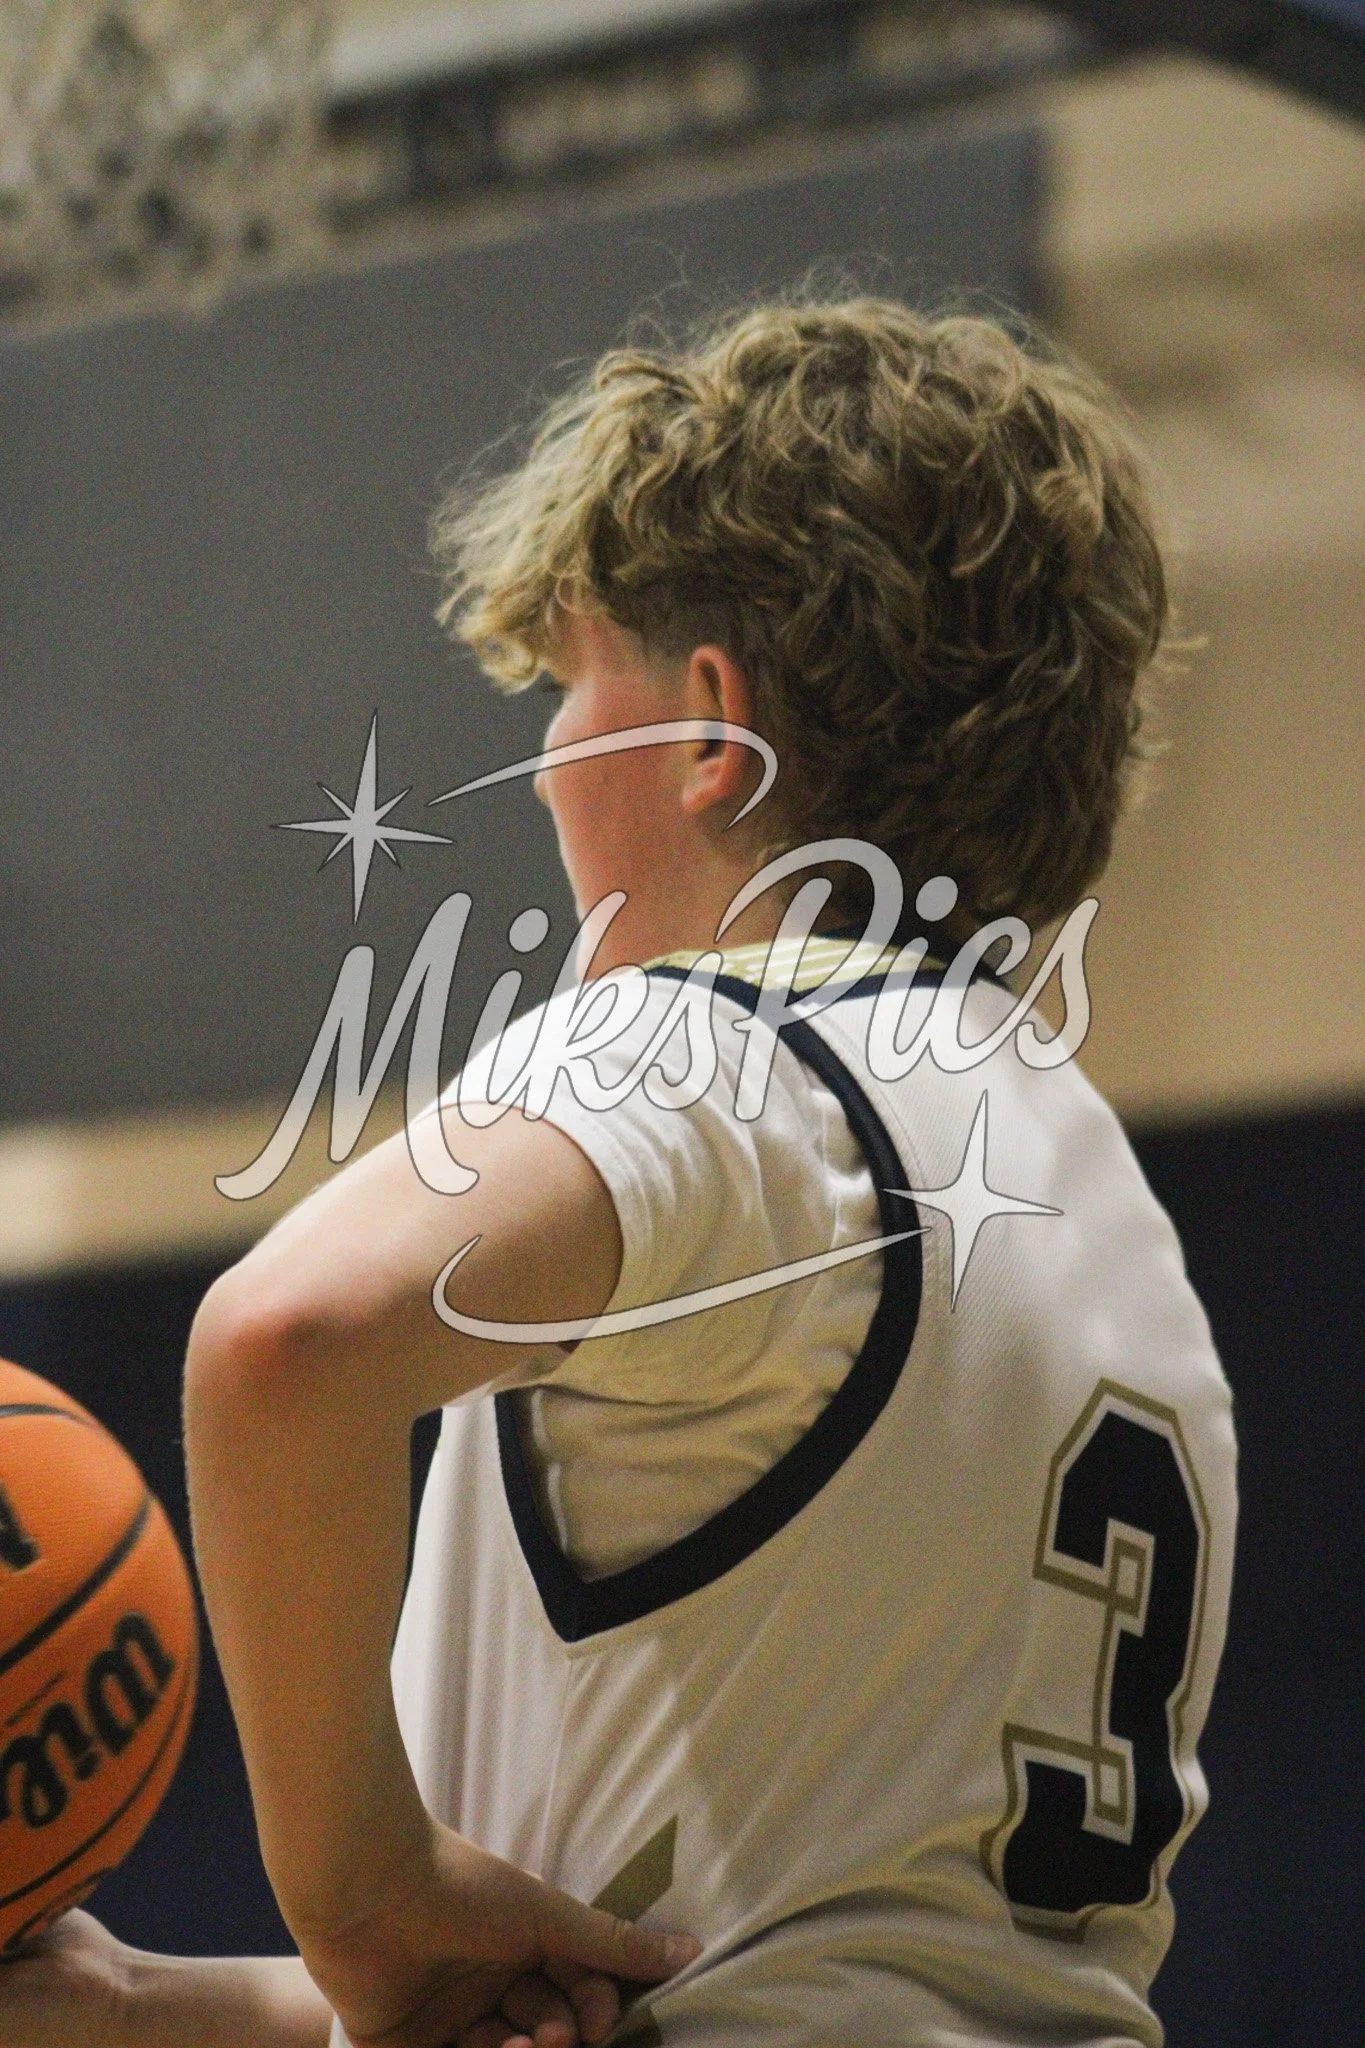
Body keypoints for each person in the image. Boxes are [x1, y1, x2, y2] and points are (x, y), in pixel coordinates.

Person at [0, 299, 1236, 2048]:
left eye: (572, 688)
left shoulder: (719, 1043)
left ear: (709, 734)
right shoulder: (1116, 1238)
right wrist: (130, 2007)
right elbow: (729, 1973)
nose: (543, 774)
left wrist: (364, 1896)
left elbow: (284, 1342)